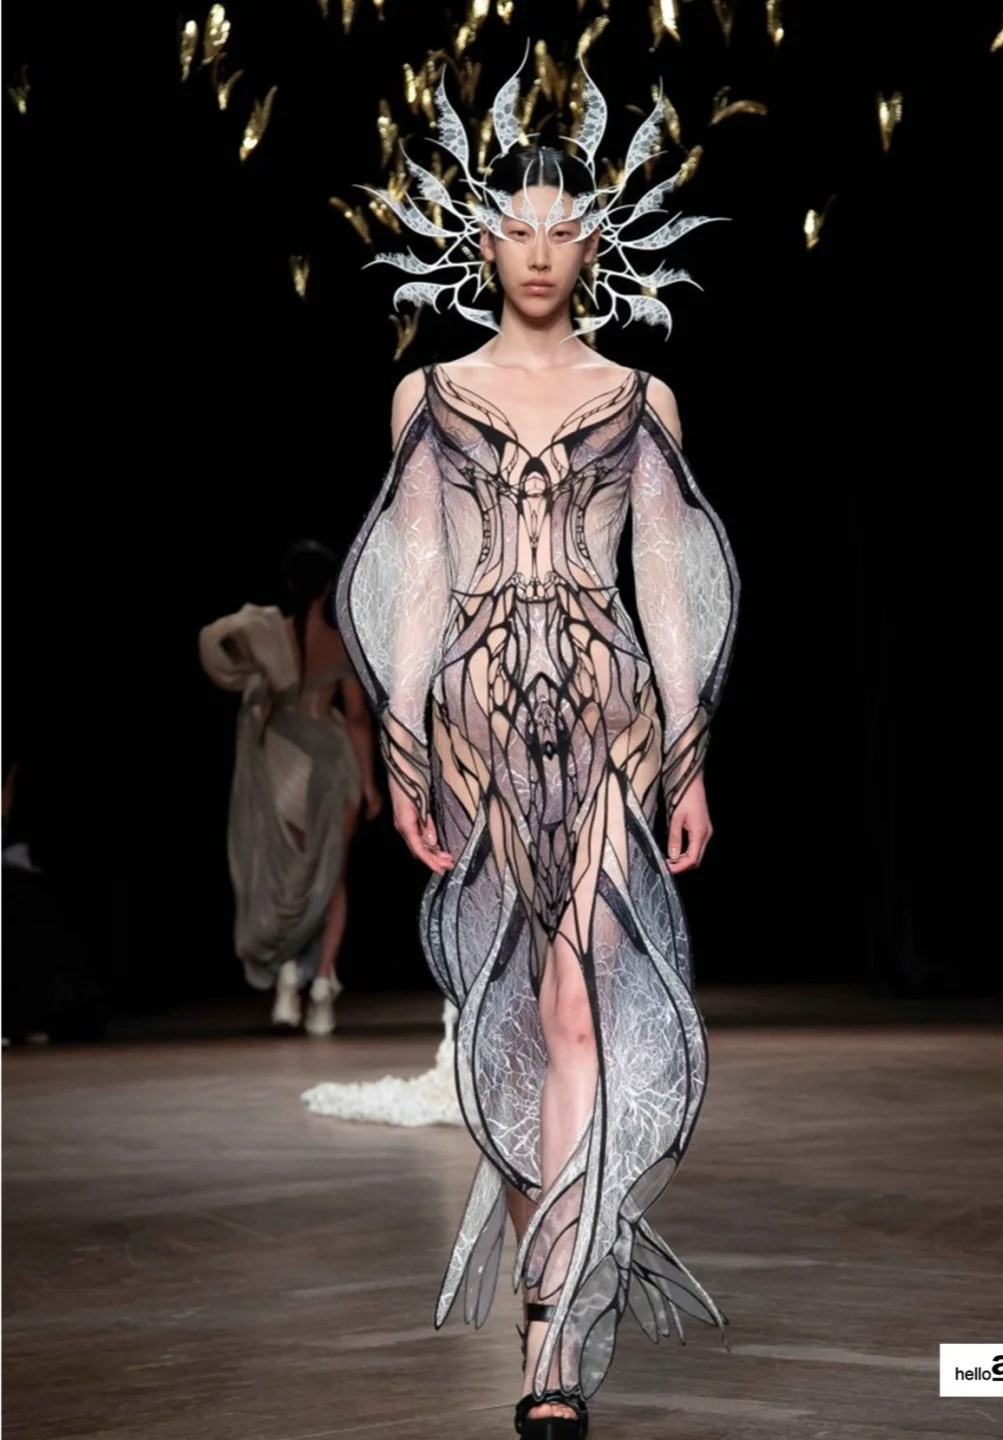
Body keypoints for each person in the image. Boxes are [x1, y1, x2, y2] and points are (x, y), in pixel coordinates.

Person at [338, 59, 739, 1438]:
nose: (540, 250)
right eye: (518, 228)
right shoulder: (428, 394)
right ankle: (549, 1276)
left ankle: (557, 1337)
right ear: (482, 243)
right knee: (510, 1017)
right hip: (478, 736)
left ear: (595, 246)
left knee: (577, 1017)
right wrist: (403, 743)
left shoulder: (643, 398)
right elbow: (417, 578)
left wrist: (688, 750)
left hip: (610, 726)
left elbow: (670, 584)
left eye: (564, 230)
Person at [199, 541, 382, 1035]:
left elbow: (238, 676)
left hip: (281, 761)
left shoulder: (269, 636)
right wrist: (369, 783)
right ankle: (321, 985)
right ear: (329, 586)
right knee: (331, 878)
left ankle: (286, 982)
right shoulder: (340, 641)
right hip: (329, 763)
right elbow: (358, 718)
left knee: (292, 879)